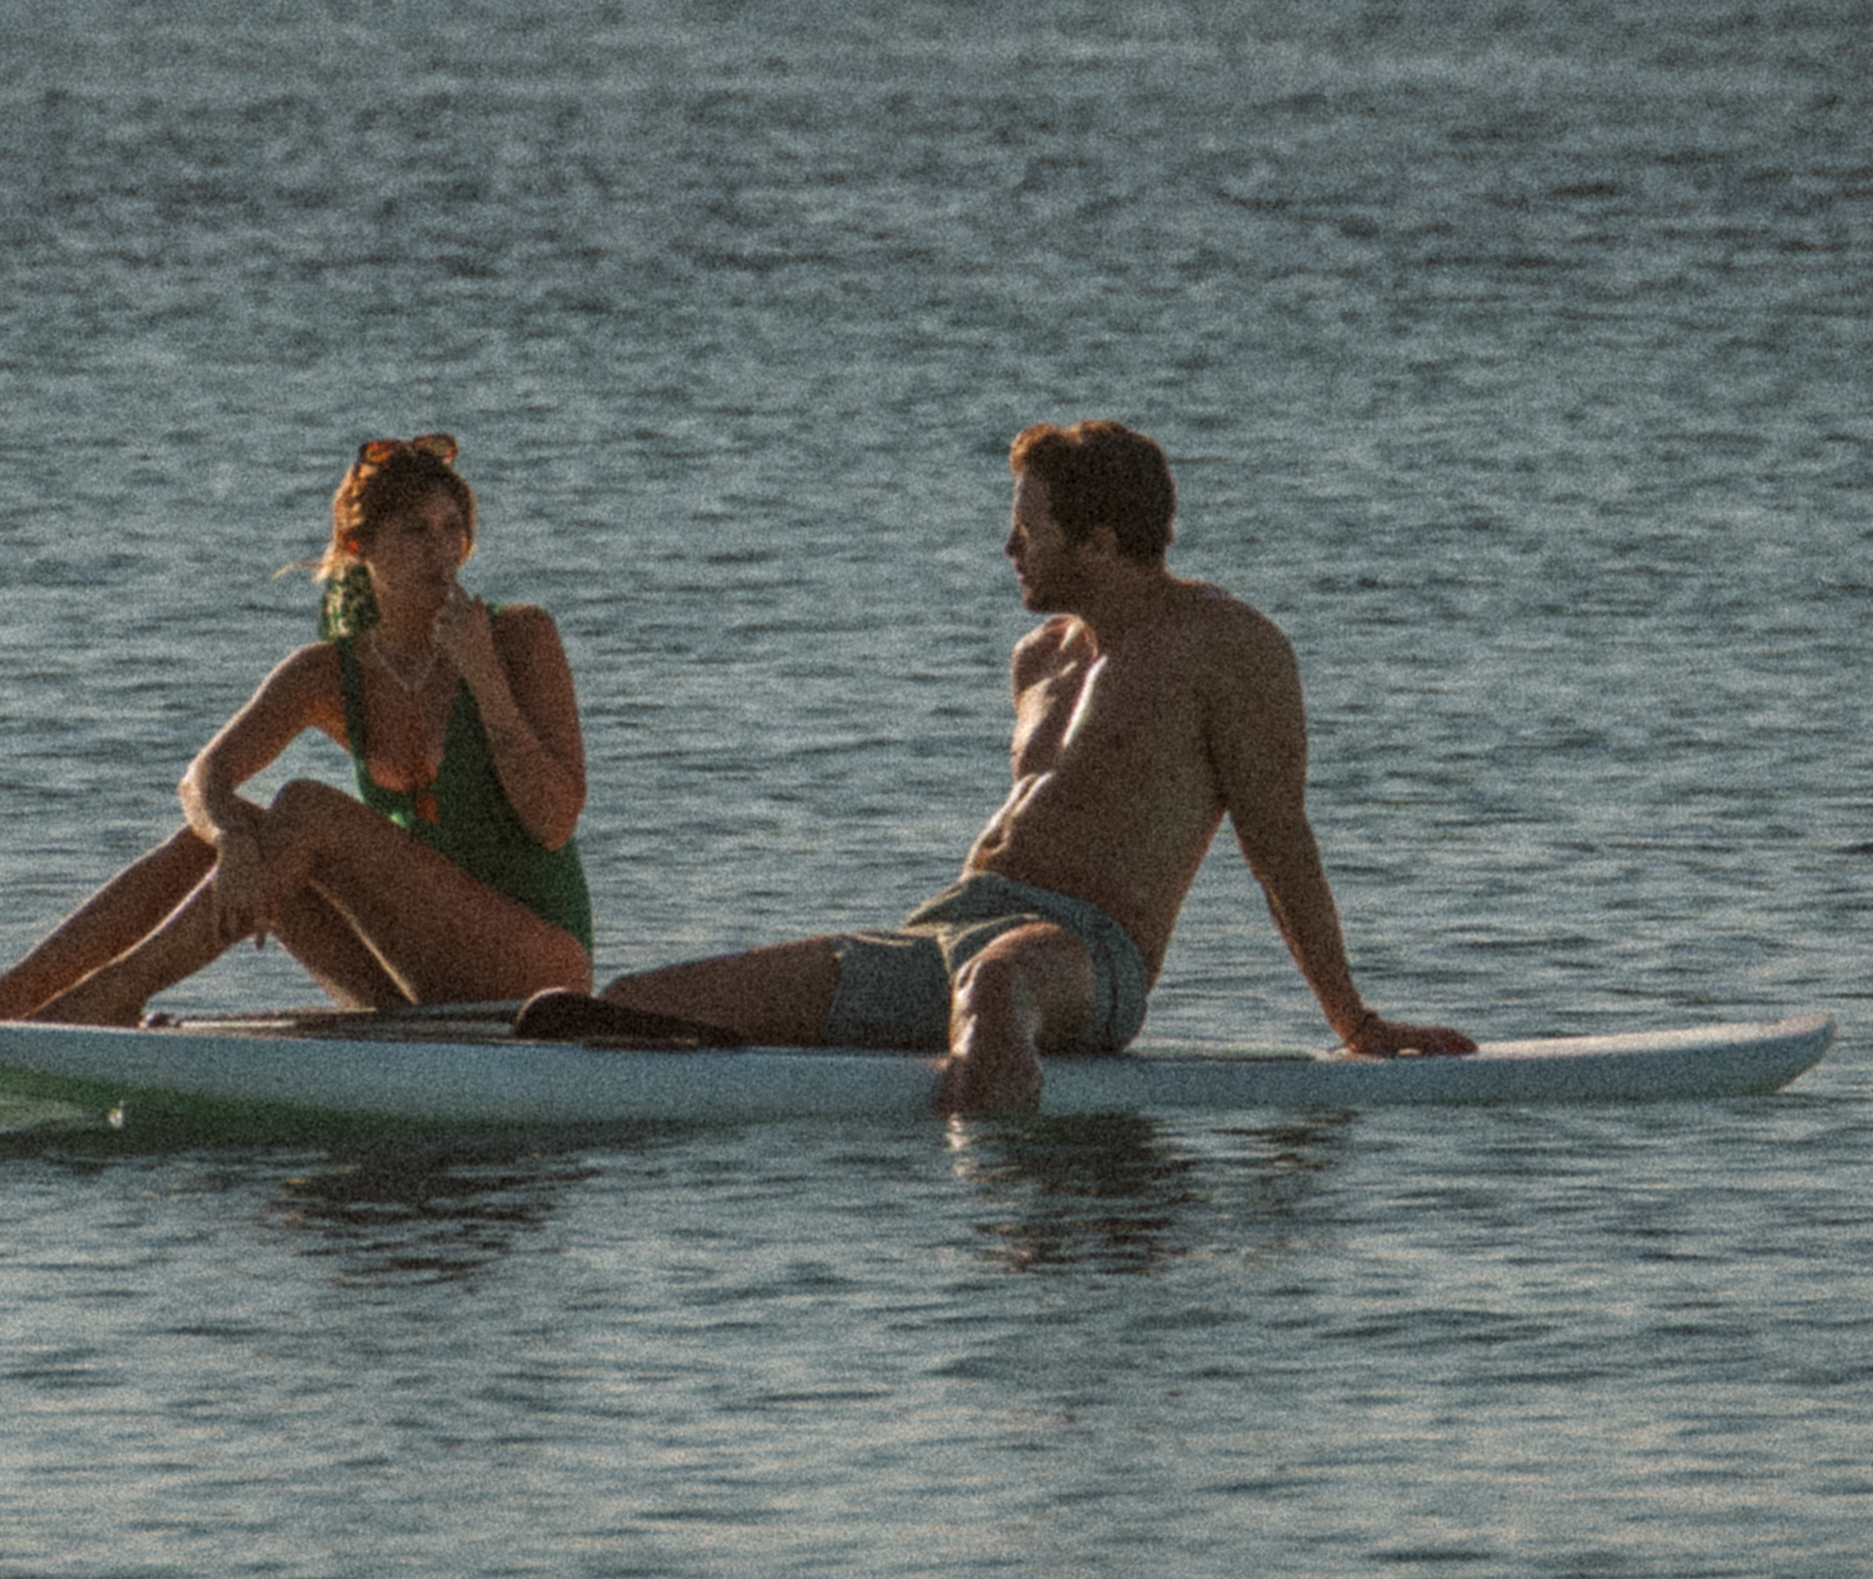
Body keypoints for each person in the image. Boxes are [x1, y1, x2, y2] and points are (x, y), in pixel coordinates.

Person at [535, 419, 1474, 1115]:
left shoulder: (1228, 647)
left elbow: (1279, 838)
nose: (1007, 548)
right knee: (632, 1006)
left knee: (994, 985)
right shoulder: (1040, 658)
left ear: (1101, 544)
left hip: (1083, 954)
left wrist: (1354, 1021)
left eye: (1029, 530)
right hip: (941, 930)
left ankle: (977, 1235)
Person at [0, 435, 597, 1026]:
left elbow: (553, 822)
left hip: (539, 976)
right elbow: (202, 778)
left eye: (452, 529)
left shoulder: (518, 637)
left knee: (306, 808)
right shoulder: (327, 673)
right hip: (419, 984)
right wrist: (232, 837)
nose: (441, 551)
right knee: (214, 838)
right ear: (358, 548)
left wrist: (484, 679)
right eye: (415, 532)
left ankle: (111, 995)